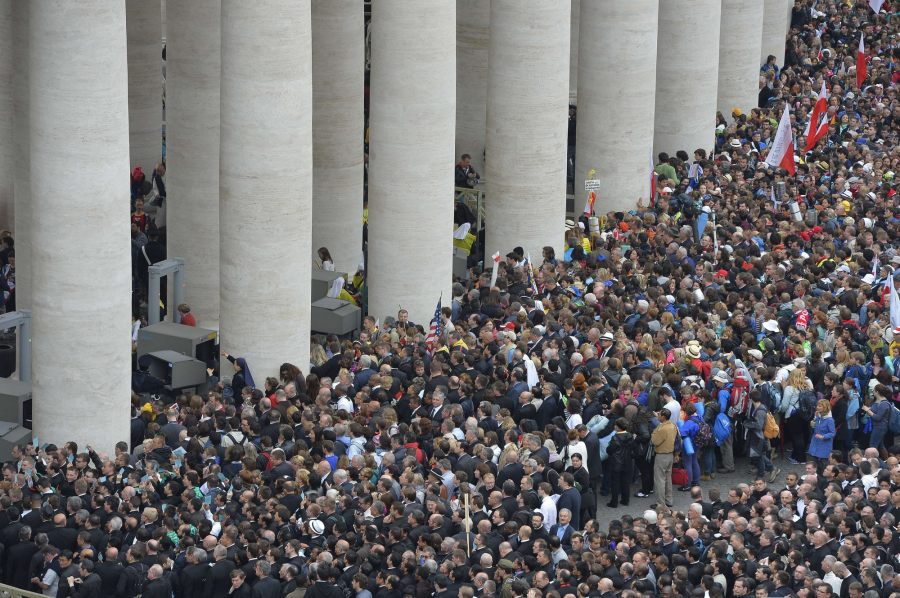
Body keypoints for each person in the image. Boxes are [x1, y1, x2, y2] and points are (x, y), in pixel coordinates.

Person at [604, 418, 634, 508]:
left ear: (618, 427)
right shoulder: (630, 436)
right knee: (625, 482)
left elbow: (609, 450)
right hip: (627, 462)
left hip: (616, 463)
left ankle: (614, 502)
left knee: (615, 483)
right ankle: (625, 500)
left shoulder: (615, 438)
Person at [650, 408, 677, 509]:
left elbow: (654, 441)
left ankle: (660, 503)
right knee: (668, 478)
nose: (657, 416)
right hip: (670, 454)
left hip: (661, 455)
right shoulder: (673, 425)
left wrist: (655, 431)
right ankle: (669, 500)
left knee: (659, 480)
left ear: (663, 417)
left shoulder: (662, 428)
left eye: (659, 414)